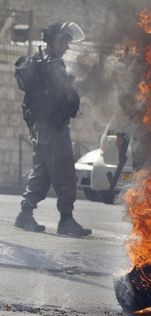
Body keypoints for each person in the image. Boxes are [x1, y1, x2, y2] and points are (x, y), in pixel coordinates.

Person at [13, 21, 92, 237]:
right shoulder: (52, 63)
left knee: (43, 171)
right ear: (55, 40)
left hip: (42, 126)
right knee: (65, 170)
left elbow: (29, 98)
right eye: (65, 40)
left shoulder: (39, 61)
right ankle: (66, 220)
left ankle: (25, 214)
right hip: (53, 127)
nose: (67, 46)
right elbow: (65, 93)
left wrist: (32, 125)